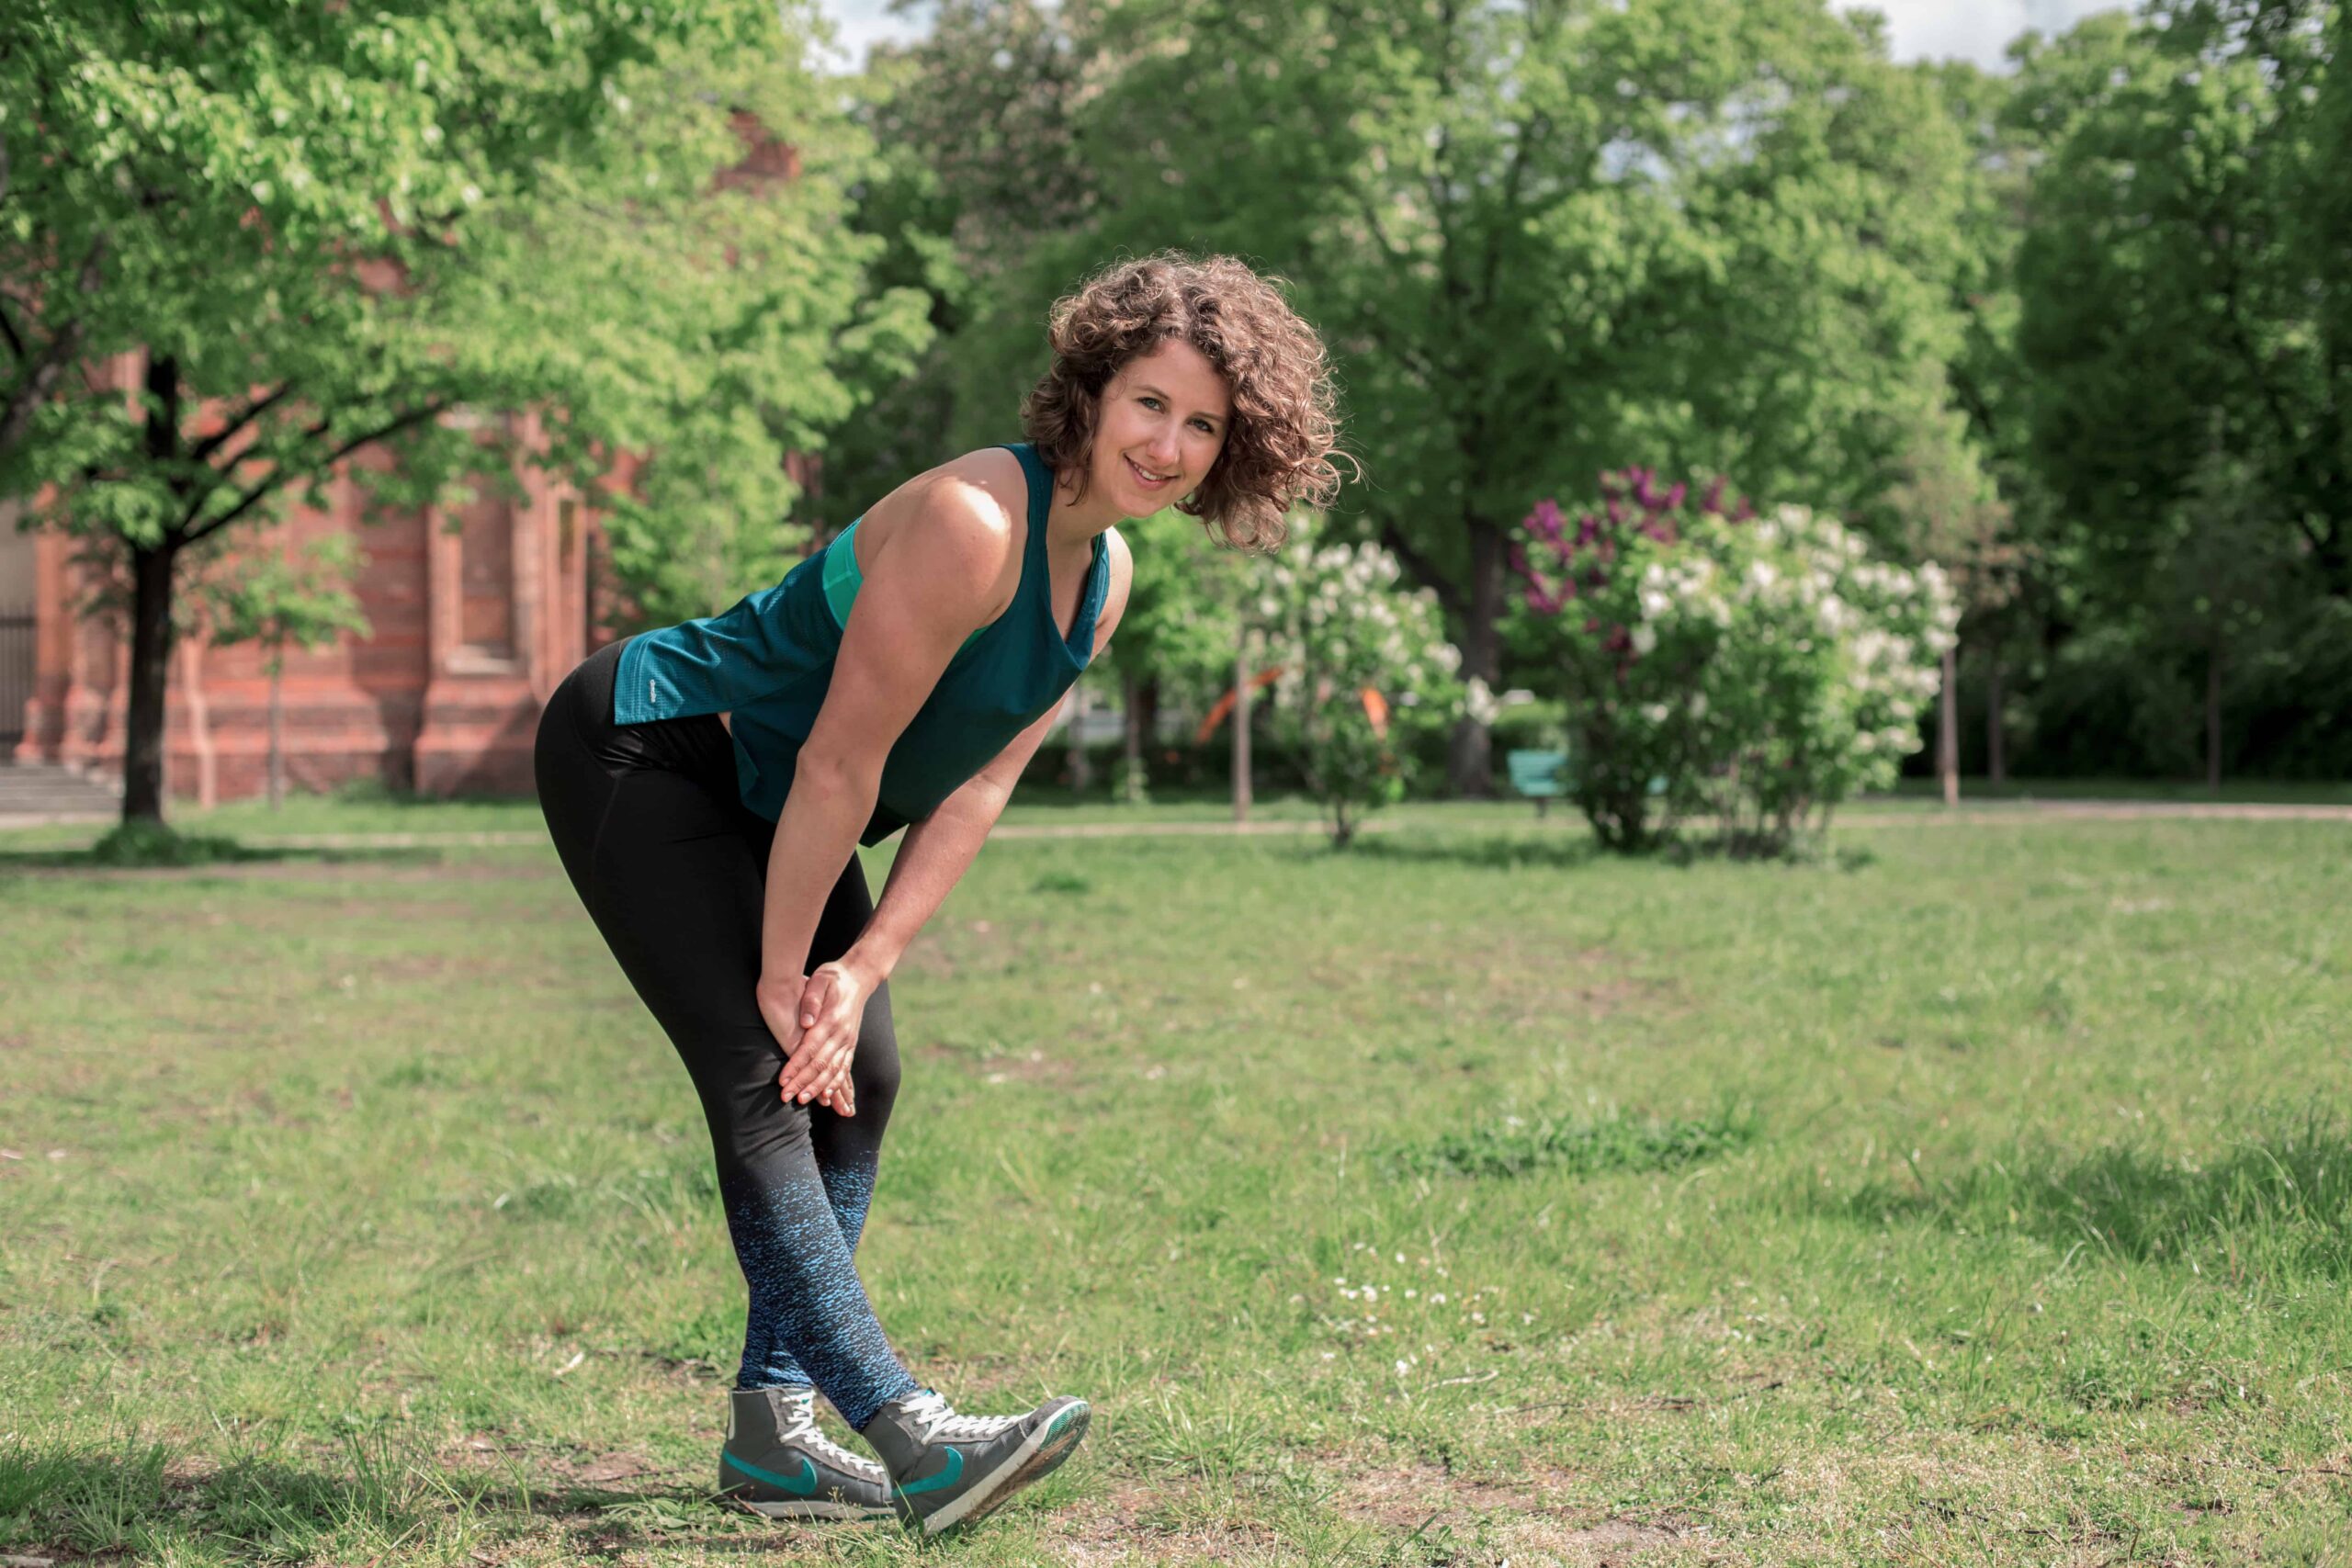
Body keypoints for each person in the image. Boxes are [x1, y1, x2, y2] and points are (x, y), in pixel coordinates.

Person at [533, 252, 1343, 1534]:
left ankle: (772, 1439)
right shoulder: (977, 523)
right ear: (1091, 388)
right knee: (765, 1069)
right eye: (1150, 403)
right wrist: (786, 972)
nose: (1170, 444)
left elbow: (972, 788)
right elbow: (844, 760)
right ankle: (912, 1437)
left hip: (783, 794)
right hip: (656, 742)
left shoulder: (1107, 580)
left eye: (1203, 424)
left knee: (866, 1072)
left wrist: (861, 972)